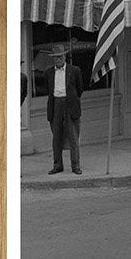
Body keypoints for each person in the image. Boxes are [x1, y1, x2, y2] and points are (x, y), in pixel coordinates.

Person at [44, 44, 83, 175]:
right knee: (56, 137)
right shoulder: (48, 72)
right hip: (56, 103)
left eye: (60, 56)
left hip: (70, 104)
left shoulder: (74, 70)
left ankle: (75, 165)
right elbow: (48, 90)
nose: (58, 59)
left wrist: (71, 99)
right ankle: (57, 165)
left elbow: (80, 89)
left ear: (64, 56)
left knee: (73, 136)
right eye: (55, 57)